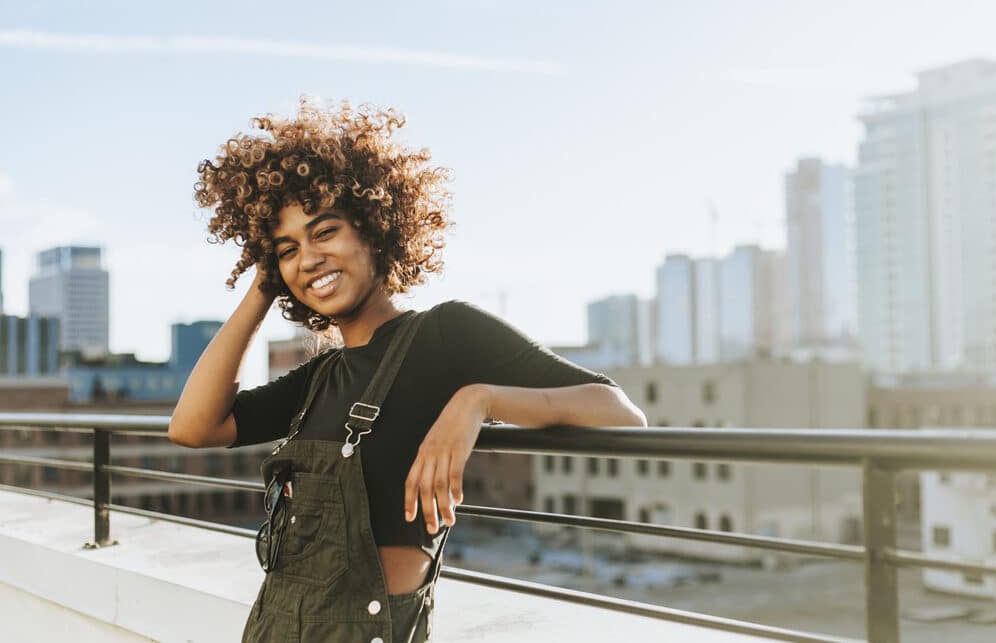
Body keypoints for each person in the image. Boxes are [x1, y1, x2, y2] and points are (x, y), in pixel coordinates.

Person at [167, 98, 647, 643]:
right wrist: (261, 286)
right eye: (287, 249)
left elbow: (621, 414)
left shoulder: (446, 333)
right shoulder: (322, 375)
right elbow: (192, 427)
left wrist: (479, 400)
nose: (308, 259)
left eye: (325, 232)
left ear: (374, 228)